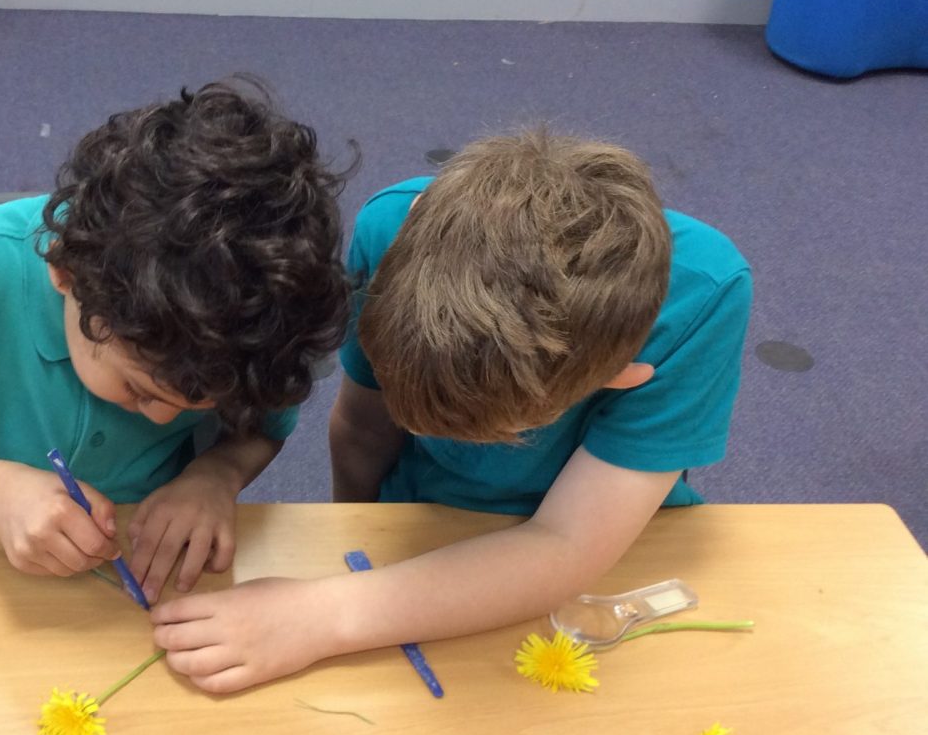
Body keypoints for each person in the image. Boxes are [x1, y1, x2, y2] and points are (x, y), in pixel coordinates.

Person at [151, 129, 752, 692]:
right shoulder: (393, 232)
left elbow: (567, 542)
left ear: (617, 375)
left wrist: (326, 613)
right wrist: (351, 532)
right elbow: (362, 428)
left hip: (602, 552)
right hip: (423, 530)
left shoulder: (703, 294)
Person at [0, 79, 351, 603]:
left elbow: (260, 430)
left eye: (201, 406)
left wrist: (216, 473)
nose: (164, 420)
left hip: (128, 569)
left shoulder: (257, 324)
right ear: (67, 274)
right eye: (139, 389)